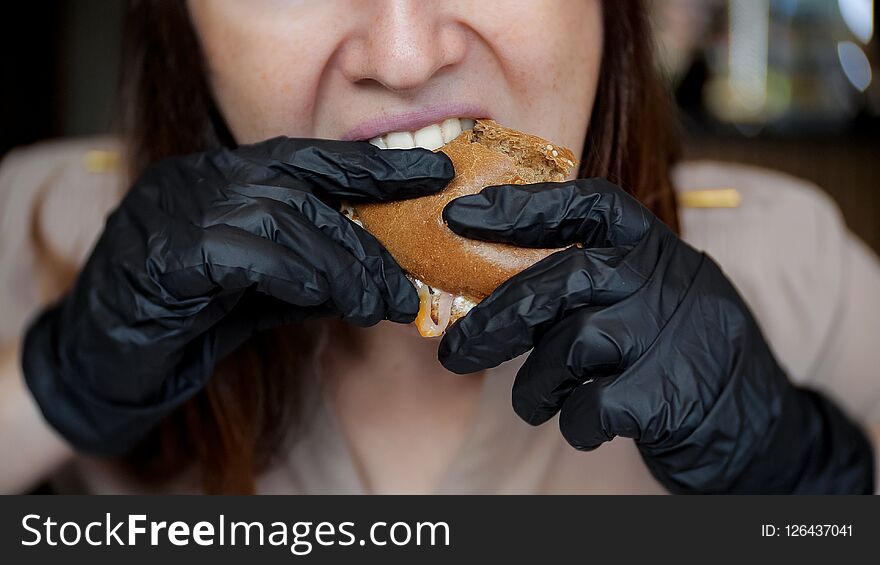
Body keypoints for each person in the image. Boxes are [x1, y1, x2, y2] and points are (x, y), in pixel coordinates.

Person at [0, 0, 877, 495]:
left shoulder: (790, 264)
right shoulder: (39, 223)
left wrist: (806, 474)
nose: (407, 54)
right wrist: (52, 385)